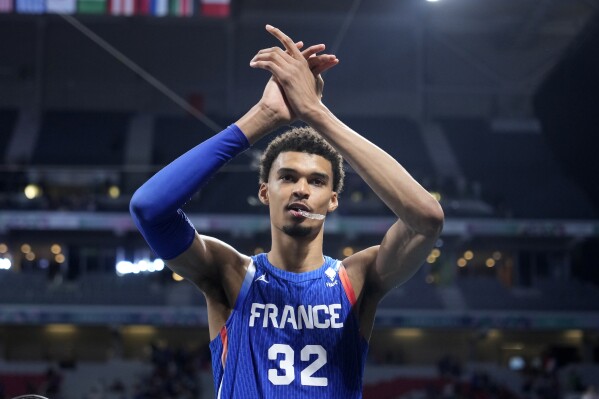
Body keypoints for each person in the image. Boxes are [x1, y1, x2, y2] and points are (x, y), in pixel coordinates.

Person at [130, 25, 444, 398]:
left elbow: (427, 218)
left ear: (333, 199)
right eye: (288, 177)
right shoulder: (230, 273)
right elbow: (149, 209)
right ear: (265, 191)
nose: (300, 189)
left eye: (316, 181)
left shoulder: (358, 279)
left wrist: (316, 113)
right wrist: (263, 116)